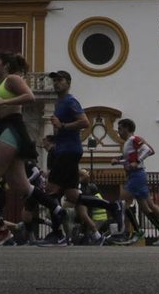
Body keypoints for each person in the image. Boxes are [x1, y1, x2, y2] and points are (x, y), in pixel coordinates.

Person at [0, 53, 64, 246]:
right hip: (3, 127)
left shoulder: (12, 79)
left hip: (11, 130)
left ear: (6, 65)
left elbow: (29, 96)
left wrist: (4, 102)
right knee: (21, 185)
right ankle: (55, 207)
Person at [42, 70, 120, 246]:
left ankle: (57, 235)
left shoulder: (70, 101)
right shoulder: (59, 103)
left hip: (68, 151)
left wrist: (63, 125)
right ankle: (112, 206)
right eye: (54, 81)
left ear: (68, 83)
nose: (56, 83)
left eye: (60, 80)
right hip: (66, 149)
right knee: (71, 195)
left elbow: (85, 122)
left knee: (51, 191)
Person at [112, 117, 159, 244]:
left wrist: (136, 162)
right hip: (136, 175)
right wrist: (119, 161)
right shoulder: (128, 143)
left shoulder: (133, 139)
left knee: (122, 202)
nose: (118, 132)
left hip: (137, 175)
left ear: (127, 128)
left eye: (120, 129)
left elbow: (148, 150)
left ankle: (138, 231)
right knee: (145, 208)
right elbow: (131, 160)